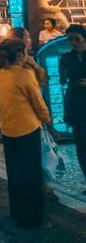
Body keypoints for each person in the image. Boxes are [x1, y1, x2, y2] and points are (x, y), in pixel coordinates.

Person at [0, 37, 51, 229]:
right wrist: (48, 121)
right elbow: (38, 102)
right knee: (32, 176)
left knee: (16, 173)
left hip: (8, 129)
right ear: (20, 54)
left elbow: (41, 78)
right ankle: (32, 219)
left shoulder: (1, 73)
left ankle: (17, 211)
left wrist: (32, 64)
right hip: (27, 129)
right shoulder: (24, 75)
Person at [61, 23, 86, 188]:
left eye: (76, 39)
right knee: (82, 144)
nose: (73, 43)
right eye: (70, 40)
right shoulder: (66, 57)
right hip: (76, 104)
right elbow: (63, 79)